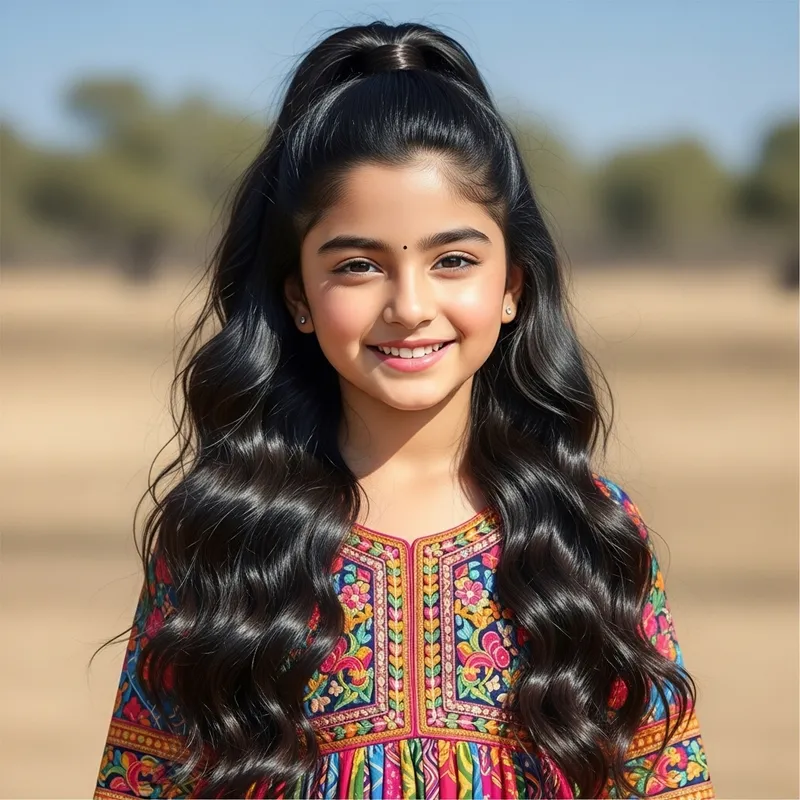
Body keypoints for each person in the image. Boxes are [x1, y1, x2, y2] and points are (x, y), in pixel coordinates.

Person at [92, 20, 715, 800]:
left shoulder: (586, 532)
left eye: (453, 260)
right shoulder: (227, 539)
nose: (410, 306)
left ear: (513, 285)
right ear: (298, 297)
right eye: (358, 265)